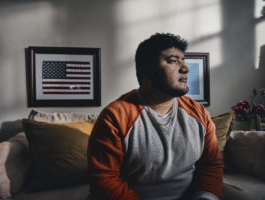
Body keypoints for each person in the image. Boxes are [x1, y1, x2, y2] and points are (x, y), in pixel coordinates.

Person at [87, 33, 252, 200]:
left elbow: (210, 164)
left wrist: (204, 196)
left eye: (183, 61)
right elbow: (105, 179)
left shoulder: (198, 113)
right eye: (173, 61)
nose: (185, 68)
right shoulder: (114, 116)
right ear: (146, 69)